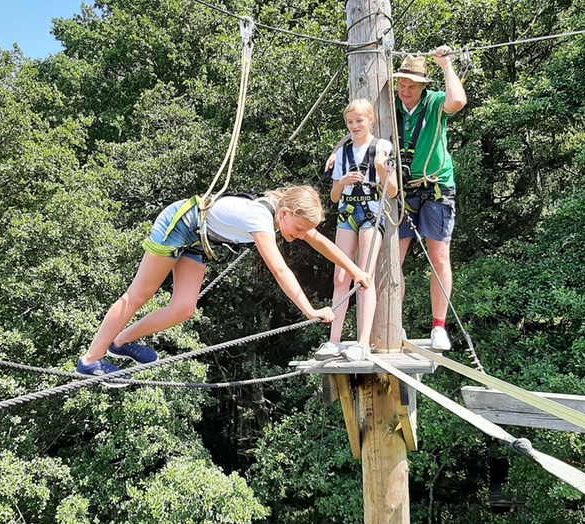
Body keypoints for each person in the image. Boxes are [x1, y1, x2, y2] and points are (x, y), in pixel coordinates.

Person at [77, 186, 372, 376]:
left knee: (183, 309)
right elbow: (281, 271)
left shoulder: (283, 211)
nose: (296, 236)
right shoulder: (260, 218)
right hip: (179, 224)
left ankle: (122, 341)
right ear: (285, 214)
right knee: (139, 295)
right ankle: (91, 360)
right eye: (297, 229)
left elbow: (320, 241)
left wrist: (355, 270)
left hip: (199, 239)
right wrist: (311, 310)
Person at [392, 46, 467, 350]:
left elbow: (458, 100)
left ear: (423, 87)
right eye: (401, 84)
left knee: (439, 257)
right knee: (392, 259)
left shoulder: (435, 102)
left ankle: (439, 326)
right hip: (402, 189)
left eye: (411, 86)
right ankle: (393, 324)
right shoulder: (391, 106)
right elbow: (358, 120)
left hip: (435, 186)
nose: (405, 90)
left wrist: (446, 65)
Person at [323, 99, 396, 355]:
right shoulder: (342, 152)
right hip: (348, 211)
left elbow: (394, 190)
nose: (355, 126)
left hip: (372, 212)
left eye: (359, 121)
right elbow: (333, 197)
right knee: (340, 276)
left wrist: (380, 169)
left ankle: (363, 342)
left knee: (364, 275)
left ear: (370, 120)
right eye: (350, 122)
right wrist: (341, 182)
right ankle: (334, 340)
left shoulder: (382, 147)